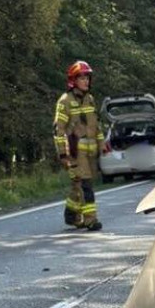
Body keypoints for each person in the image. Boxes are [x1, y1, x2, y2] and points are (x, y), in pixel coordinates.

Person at [53, 60, 105, 231]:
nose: (86, 81)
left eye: (87, 78)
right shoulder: (65, 101)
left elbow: (96, 126)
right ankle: (91, 220)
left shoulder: (90, 99)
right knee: (85, 186)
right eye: (82, 78)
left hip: (91, 152)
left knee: (78, 185)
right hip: (75, 153)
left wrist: (102, 144)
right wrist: (63, 154)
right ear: (73, 80)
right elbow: (58, 130)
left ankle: (71, 214)